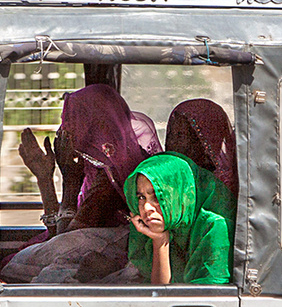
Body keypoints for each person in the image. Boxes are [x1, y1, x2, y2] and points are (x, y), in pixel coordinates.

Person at [19, 83, 152, 236]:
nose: (62, 131)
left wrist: (70, 183)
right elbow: (58, 234)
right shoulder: (96, 169)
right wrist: (44, 178)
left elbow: (63, 244)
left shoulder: (110, 183)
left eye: (71, 121)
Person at [124, 153, 234, 286]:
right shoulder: (153, 229)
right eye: (141, 198)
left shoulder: (214, 227)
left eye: (158, 197)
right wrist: (160, 240)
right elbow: (157, 295)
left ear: (180, 195)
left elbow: (206, 298)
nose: (147, 207)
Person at [165, 98, 238, 201]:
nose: (176, 141)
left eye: (185, 134)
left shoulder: (227, 185)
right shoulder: (166, 177)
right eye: (175, 133)